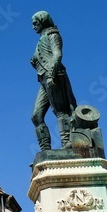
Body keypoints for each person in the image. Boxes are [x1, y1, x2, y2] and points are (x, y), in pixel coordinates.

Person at [30, 11, 77, 150]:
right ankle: (45, 150)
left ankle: (67, 142)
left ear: (42, 21)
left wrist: (51, 75)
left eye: (35, 23)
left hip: (54, 77)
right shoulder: (42, 39)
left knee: (60, 111)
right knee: (36, 116)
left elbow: (57, 55)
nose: (33, 27)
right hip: (44, 80)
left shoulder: (53, 35)